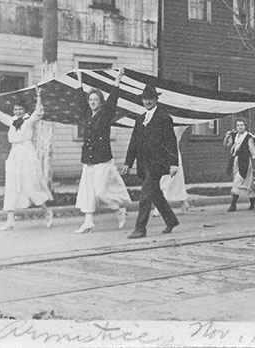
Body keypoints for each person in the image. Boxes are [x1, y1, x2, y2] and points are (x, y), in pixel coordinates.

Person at [0, 93, 53, 231]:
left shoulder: (29, 120)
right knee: (11, 185)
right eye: (15, 109)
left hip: (27, 154)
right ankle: (10, 219)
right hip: (15, 155)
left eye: (20, 109)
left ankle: (47, 212)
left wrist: (40, 96)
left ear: (24, 110)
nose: (17, 112)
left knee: (31, 184)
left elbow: (38, 112)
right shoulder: (12, 121)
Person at [74, 70, 132, 234]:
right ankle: (88, 222)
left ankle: (118, 209)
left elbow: (113, 99)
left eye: (95, 100)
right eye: (90, 100)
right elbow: (80, 100)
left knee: (101, 191)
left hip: (103, 160)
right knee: (88, 192)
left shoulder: (105, 114)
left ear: (100, 102)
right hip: (88, 160)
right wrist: (79, 81)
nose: (92, 102)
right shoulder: (86, 114)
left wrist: (118, 81)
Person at [123, 83, 180, 238]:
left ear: (156, 100)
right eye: (145, 99)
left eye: (150, 99)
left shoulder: (164, 118)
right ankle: (171, 220)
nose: (147, 102)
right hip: (143, 163)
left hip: (157, 163)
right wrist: (128, 162)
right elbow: (134, 141)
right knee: (155, 194)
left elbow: (171, 142)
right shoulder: (140, 118)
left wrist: (174, 163)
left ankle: (140, 228)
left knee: (145, 195)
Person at [223, 118, 255, 212]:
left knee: (238, 181)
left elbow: (253, 151)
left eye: (242, 125)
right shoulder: (235, 136)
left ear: (245, 126)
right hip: (236, 160)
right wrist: (226, 136)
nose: (240, 127)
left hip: (245, 161)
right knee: (246, 182)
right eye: (238, 125)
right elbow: (226, 145)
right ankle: (252, 199)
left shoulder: (248, 137)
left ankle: (233, 204)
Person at [153, 126, 190, 216]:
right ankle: (183, 202)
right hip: (160, 154)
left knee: (170, 180)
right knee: (164, 179)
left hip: (172, 154)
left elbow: (185, 123)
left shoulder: (177, 125)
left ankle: (160, 207)